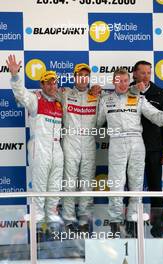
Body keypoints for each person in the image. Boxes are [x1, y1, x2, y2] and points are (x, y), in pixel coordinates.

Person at [97, 69, 163, 237]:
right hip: (116, 142)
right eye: (119, 81)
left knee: (136, 184)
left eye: (126, 80)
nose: (123, 84)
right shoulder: (105, 100)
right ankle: (116, 225)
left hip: (136, 142)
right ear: (114, 81)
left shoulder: (139, 98)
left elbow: (159, 118)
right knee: (116, 185)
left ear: (129, 81)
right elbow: (96, 123)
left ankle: (133, 224)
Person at [6, 55, 63, 233]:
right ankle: (37, 230)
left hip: (57, 149)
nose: (52, 86)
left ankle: (52, 228)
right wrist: (15, 76)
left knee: (54, 190)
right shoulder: (35, 100)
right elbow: (20, 93)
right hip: (40, 148)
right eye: (48, 83)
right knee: (39, 190)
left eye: (54, 83)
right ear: (42, 85)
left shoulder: (60, 103)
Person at [58, 63, 100, 233]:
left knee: (87, 182)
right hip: (70, 141)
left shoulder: (97, 96)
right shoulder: (66, 93)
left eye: (86, 76)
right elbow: (47, 95)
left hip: (89, 143)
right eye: (80, 75)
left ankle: (84, 220)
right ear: (75, 77)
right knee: (69, 182)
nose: (83, 79)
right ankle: (68, 220)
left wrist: (100, 91)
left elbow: (117, 99)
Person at [131, 60, 163, 237]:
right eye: (143, 73)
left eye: (149, 72)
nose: (146, 76)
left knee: (155, 188)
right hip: (131, 147)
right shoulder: (127, 89)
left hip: (154, 148)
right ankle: (131, 226)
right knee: (131, 188)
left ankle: (158, 228)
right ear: (135, 74)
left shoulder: (159, 92)